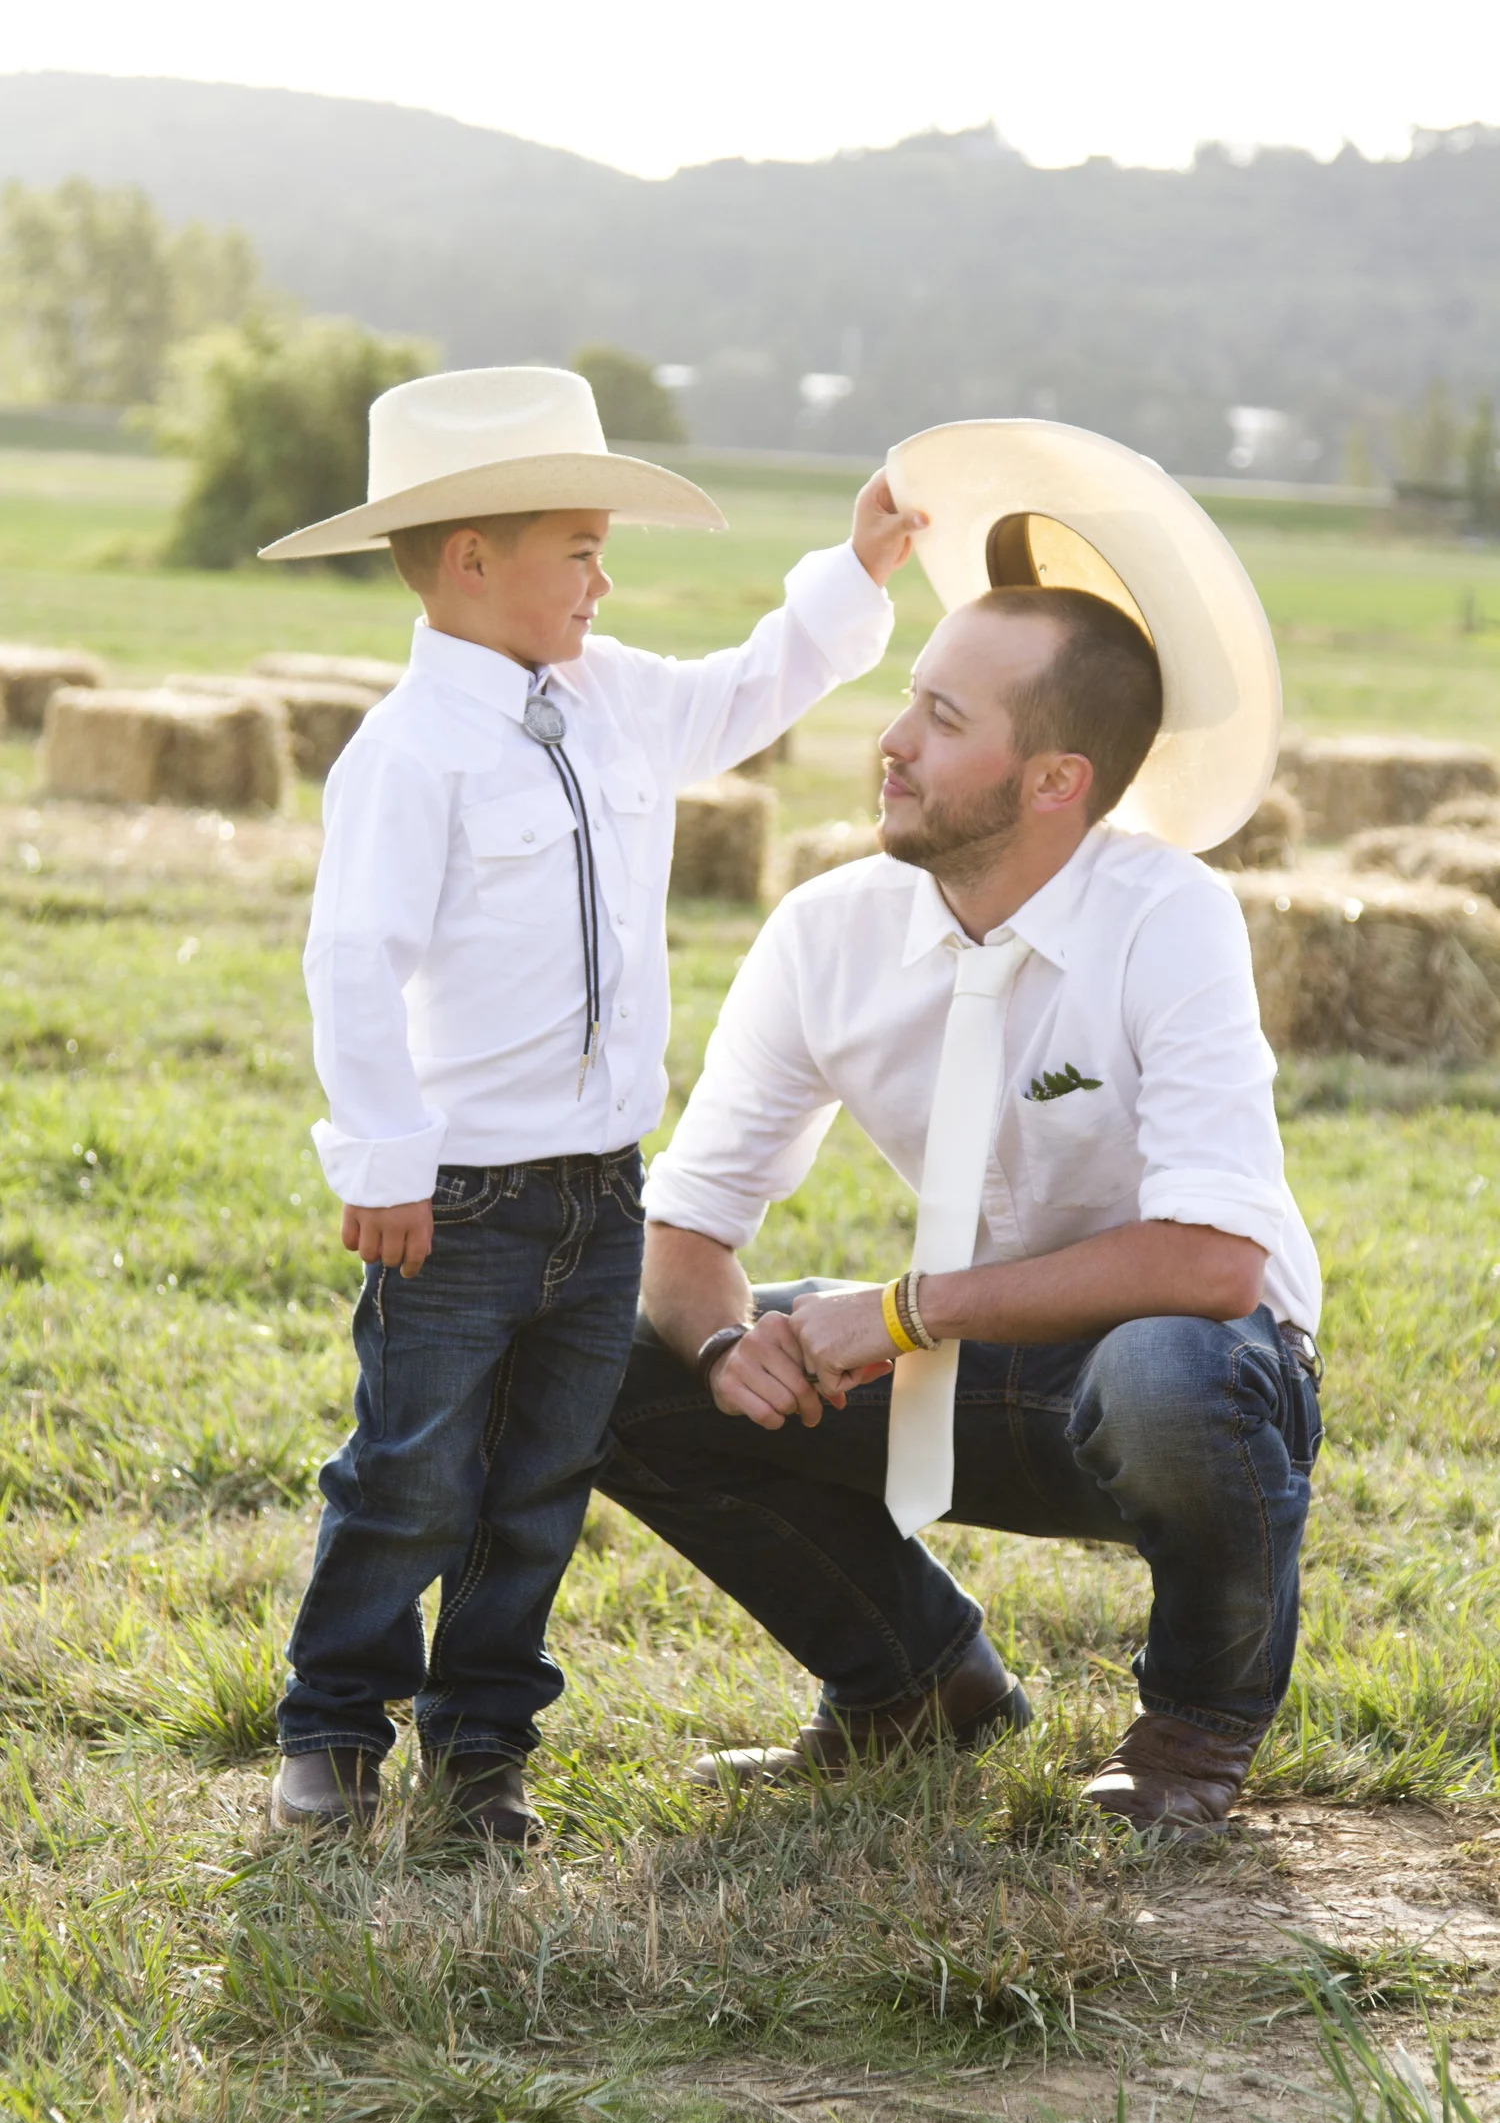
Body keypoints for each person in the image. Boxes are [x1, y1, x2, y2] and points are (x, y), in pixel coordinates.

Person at [601, 419, 1324, 1841]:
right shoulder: (826, 929)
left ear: (1056, 780)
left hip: (1193, 1378)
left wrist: (907, 1309)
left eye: (943, 718)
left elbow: (1215, 1267)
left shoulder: (1170, 915)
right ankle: (918, 1682)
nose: (887, 739)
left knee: (1172, 1373)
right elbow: (683, 1231)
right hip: (970, 1366)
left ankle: (1190, 1730)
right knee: (611, 1365)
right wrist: (718, 1344)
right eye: (910, 698)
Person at [258, 365, 920, 1839]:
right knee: (412, 1468)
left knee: (546, 1474)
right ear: (474, 562)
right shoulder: (409, 752)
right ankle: (333, 1725)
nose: (605, 579)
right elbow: (354, 960)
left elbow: (752, 687)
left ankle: (484, 1740)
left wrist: (854, 568)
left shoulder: (615, 700)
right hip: (463, 1197)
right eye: (580, 548)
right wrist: (381, 1154)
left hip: (602, 1190)